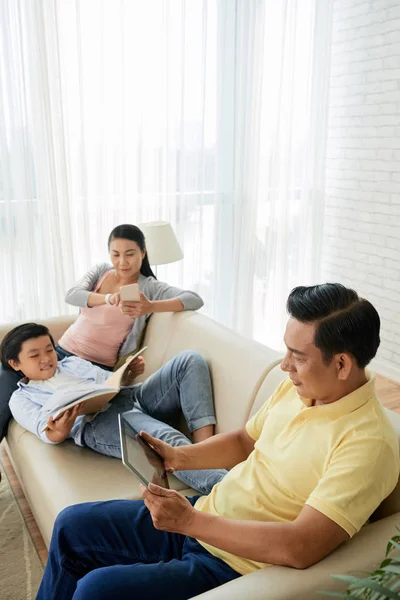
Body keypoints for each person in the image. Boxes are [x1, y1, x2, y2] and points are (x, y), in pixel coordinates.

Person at [36, 283, 399, 600]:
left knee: (96, 591)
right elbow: (244, 441)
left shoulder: (367, 444)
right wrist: (176, 457)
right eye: (286, 351)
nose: (285, 365)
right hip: (208, 514)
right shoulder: (298, 387)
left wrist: (189, 521)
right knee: (72, 525)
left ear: (341, 365)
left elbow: (300, 546)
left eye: (298, 357)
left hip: (234, 564)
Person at [0, 223, 203, 442]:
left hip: (95, 364)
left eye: (130, 254)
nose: (122, 262)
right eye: (115, 254)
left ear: (143, 254)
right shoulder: (101, 272)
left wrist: (150, 307)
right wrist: (107, 298)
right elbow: (72, 295)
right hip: (61, 354)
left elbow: (194, 299)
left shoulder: (149, 287)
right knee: (4, 378)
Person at [0, 323, 226, 495]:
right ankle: (232, 491)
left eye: (49, 350)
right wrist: (61, 428)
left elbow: (112, 383)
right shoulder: (20, 399)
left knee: (188, 361)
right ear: (15, 364)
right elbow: (48, 432)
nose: (46, 358)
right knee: (165, 439)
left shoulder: (72, 363)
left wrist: (127, 374)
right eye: (35, 355)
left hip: (131, 396)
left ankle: (206, 448)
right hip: (99, 421)